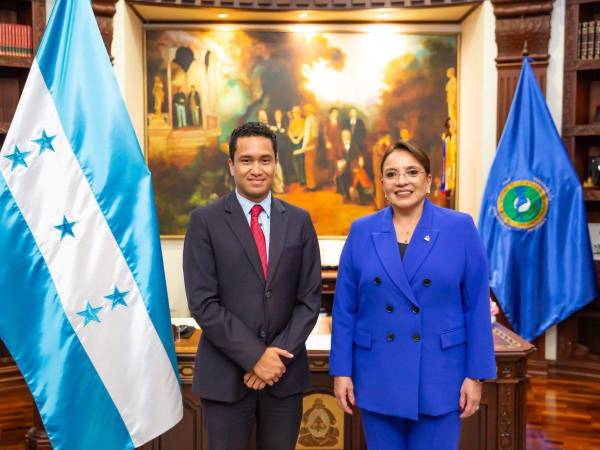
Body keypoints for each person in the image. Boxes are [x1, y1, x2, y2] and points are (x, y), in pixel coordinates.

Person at [330, 141, 496, 450]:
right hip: (377, 373)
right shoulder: (362, 230)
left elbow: (476, 308)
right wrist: (341, 371)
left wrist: (476, 375)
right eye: (392, 174)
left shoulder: (459, 227)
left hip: (441, 374)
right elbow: (344, 309)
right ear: (382, 184)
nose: (402, 181)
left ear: (429, 180)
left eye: (412, 172)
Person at [183, 122, 322, 450]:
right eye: (246, 160)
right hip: (225, 378)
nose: (256, 169)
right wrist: (255, 357)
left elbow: (309, 300)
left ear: (276, 163)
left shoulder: (300, 221)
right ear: (231, 166)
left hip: (283, 378)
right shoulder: (205, 220)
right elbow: (203, 302)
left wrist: (274, 361)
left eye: (265, 160)